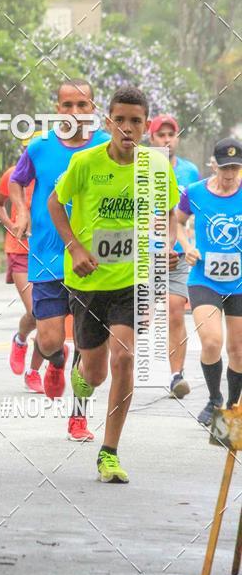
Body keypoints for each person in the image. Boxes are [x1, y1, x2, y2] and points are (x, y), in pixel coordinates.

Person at [48, 85, 179, 482]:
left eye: (135, 121)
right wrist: (74, 247)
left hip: (131, 279)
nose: (127, 128)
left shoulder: (156, 166)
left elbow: (169, 210)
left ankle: (109, 452)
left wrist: (167, 245)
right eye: (119, 120)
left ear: (146, 126)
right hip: (87, 281)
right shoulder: (86, 163)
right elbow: (56, 203)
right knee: (97, 373)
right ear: (108, 122)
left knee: (124, 357)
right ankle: (82, 376)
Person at [11, 79, 109, 441]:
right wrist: (21, 211)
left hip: (93, 260)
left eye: (82, 106)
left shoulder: (106, 147)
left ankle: (78, 417)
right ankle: (53, 359)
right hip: (49, 255)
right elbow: (16, 182)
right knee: (51, 339)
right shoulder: (39, 147)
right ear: (57, 109)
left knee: (88, 343)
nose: (74, 113)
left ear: (93, 109)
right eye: (67, 105)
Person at [177, 137, 242, 425]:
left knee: (238, 349)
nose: (229, 175)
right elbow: (176, 221)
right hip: (205, 279)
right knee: (213, 342)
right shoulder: (194, 192)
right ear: (214, 165)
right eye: (225, 168)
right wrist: (186, 246)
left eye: (236, 168)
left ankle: (230, 409)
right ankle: (214, 397)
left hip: (239, 282)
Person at [148, 114, 200, 399]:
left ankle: (175, 375)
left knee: (175, 311)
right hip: (141, 254)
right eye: (161, 135)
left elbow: (196, 211)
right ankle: (122, 367)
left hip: (177, 255)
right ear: (151, 138)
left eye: (171, 135)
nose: (167, 140)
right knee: (139, 319)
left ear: (177, 137)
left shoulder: (190, 172)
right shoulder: (138, 168)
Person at [0, 162, 43, 379]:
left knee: (50, 317)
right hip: (20, 250)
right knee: (36, 312)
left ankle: (34, 371)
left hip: (48, 251)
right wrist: (11, 225)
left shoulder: (56, 171)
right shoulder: (12, 174)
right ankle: (21, 340)